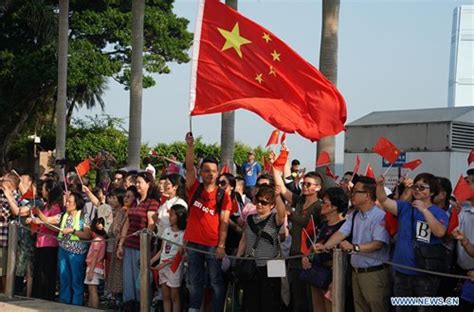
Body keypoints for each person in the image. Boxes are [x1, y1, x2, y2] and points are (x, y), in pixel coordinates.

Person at [375, 173, 448, 311]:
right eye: (415, 186)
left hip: (425, 273)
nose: (417, 190)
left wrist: (424, 210)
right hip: (402, 271)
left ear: (432, 192)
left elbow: (440, 232)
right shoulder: (405, 207)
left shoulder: (438, 212)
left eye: (422, 187)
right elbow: (383, 201)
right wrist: (380, 185)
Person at [319, 176, 391, 312]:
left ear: (367, 196)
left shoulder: (380, 216)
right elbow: (341, 233)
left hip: (374, 274)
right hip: (356, 273)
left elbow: (378, 244)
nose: (352, 194)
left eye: (356, 191)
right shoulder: (355, 215)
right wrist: (325, 246)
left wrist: (354, 248)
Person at [184, 132, 232, 312]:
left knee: (215, 283)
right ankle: (194, 309)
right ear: (201, 172)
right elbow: (189, 168)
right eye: (206, 170)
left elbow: (225, 222)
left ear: (218, 172)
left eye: (213, 171)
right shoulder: (194, 188)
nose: (210, 174)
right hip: (194, 243)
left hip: (213, 245)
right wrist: (190, 146)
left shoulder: (223, 195)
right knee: (193, 281)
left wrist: (221, 245)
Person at [273, 160, 323, 312]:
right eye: (304, 184)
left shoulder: (320, 207)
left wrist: (311, 254)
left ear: (318, 187)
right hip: (294, 256)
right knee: (297, 299)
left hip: (308, 258)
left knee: (309, 301)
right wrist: (275, 165)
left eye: (309, 184)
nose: (305, 187)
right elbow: (281, 188)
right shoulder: (300, 200)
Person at [236, 184, 287, 312]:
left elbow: (282, 214)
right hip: (251, 264)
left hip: (273, 264)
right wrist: (238, 259)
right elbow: (244, 239)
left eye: (264, 202)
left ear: (272, 205)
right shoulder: (249, 219)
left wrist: (277, 196)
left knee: (271, 302)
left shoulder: (274, 218)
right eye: (258, 201)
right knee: (250, 302)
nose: (259, 204)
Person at [36, 191, 92, 305]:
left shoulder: (83, 216)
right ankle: (64, 302)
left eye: (69, 202)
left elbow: (87, 235)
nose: (66, 204)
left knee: (76, 280)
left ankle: (77, 305)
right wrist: (38, 213)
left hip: (77, 253)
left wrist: (73, 231)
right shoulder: (62, 215)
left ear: (76, 204)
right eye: (66, 201)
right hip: (63, 251)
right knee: (64, 278)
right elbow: (47, 220)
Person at [302, 187, 348, 312]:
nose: (321, 205)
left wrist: (333, 278)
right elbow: (314, 245)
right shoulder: (322, 225)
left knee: (331, 308)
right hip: (316, 272)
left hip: (332, 276)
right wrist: (307, 257)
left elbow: (344, 253)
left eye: (325, 202)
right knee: (318, 308)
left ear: (334, 206)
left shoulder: (345, 227)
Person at [117, 171, 159, 304]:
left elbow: (151, 224)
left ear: (148, 184)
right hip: (129, 244)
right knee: (128, 280)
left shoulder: (152, 202)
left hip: (142, 247)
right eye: (136, 182)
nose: (137, 185)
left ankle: (143, 305)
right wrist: (120, 244)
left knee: (140, 281)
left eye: (140, 182)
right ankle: (129, 305)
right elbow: (128, 223)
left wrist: (146, 242)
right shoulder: (134, 202)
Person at [151, 204, 187, 312]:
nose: (169, 217)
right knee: (165, 296)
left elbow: (180, 255)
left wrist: (164, 264)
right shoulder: (166, 230)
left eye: (171, 215)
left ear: (179, 216)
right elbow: (162, 250)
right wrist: (152, 260)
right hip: (162, 267)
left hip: (174, 268)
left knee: (174, 296)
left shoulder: (183, 234)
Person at [30, 179, 62, 300]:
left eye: (43, 188)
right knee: (38, 271)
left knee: (46, 273)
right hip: (40, 242)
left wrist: (40, 216)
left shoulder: (55, 207)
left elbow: (53, 225)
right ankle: (38, 295)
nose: (41, 191)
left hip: (50, 244)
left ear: (48, 191)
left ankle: (46, 296)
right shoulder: (45, 206)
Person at [106, 187, 137, 306]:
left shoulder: (129, 212)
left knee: (123, 275)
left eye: (129, 196)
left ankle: (124, 300)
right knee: (116, 273)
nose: (126, 199)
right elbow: (113, 230)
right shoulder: (122, 211)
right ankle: (117, 298)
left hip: (127, 246)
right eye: (125, 196)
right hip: (118, 245)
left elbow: (116, 229)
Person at [156, 173, 187, 238]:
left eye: (167, 184)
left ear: (175, 187)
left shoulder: (180, 203)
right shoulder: (165, 201)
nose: (164, 186)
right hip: (160, 236)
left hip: (171, 238)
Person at [85, 217, 107, 308]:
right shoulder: (102, 239)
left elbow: (95, 256)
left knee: (93, 290)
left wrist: (91, 271)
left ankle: (94, 308)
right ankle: (91, 307)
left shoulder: (97, 240)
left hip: (93, 267)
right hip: (98, 267)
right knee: (91, 289)